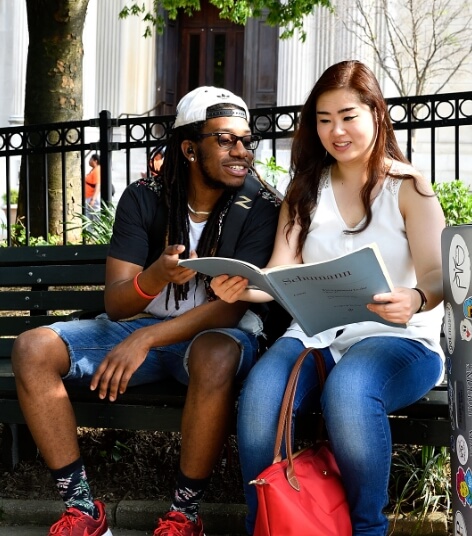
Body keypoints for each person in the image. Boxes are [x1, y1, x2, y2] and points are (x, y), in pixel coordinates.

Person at [11, 86, 280, 536]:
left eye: (246, 140)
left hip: (207, 341)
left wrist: (147, 338)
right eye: (226, 140)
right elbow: (117, 302)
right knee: (32, 348)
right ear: (190, 148)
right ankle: (83, 511)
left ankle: (184, 517)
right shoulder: (145, 197)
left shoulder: (262, 206)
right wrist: (153, 277)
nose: (242, 151)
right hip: (136, 331)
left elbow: (229, 312)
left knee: (216, 352)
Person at [211, 60, 446, 536]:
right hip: (316, 334)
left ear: (376, 114)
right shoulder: (305, 191)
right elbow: (280, 270)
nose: (336, 131)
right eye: (323, 119)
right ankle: (269, 526)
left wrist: (418, 297)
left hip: (399, 340)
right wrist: (243, 285)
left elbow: (439, 273)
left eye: (348, 116)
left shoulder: (409, 188)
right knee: (259, 403)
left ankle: (367, 529)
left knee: (351, 389)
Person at [85, 153, 101, 219]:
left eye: (90, 159)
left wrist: (93, 199)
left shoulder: (97, 170)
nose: (89, 161)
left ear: (95, 161)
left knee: (95, 216)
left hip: (92, 197)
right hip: (89, 197)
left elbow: (98, 185)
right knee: (89, 215)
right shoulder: (94, 170)